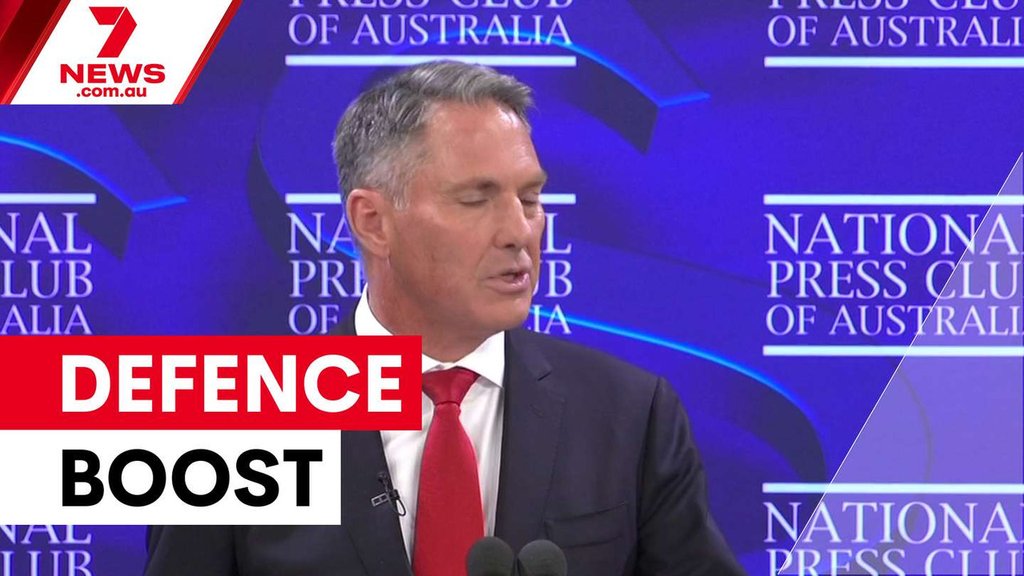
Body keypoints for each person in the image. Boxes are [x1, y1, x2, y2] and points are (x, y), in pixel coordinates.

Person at [145, 61, 745, 576]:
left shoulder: (630, 414)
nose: (519, 232)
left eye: (530, 198)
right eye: (476, 200)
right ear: (373, 221)